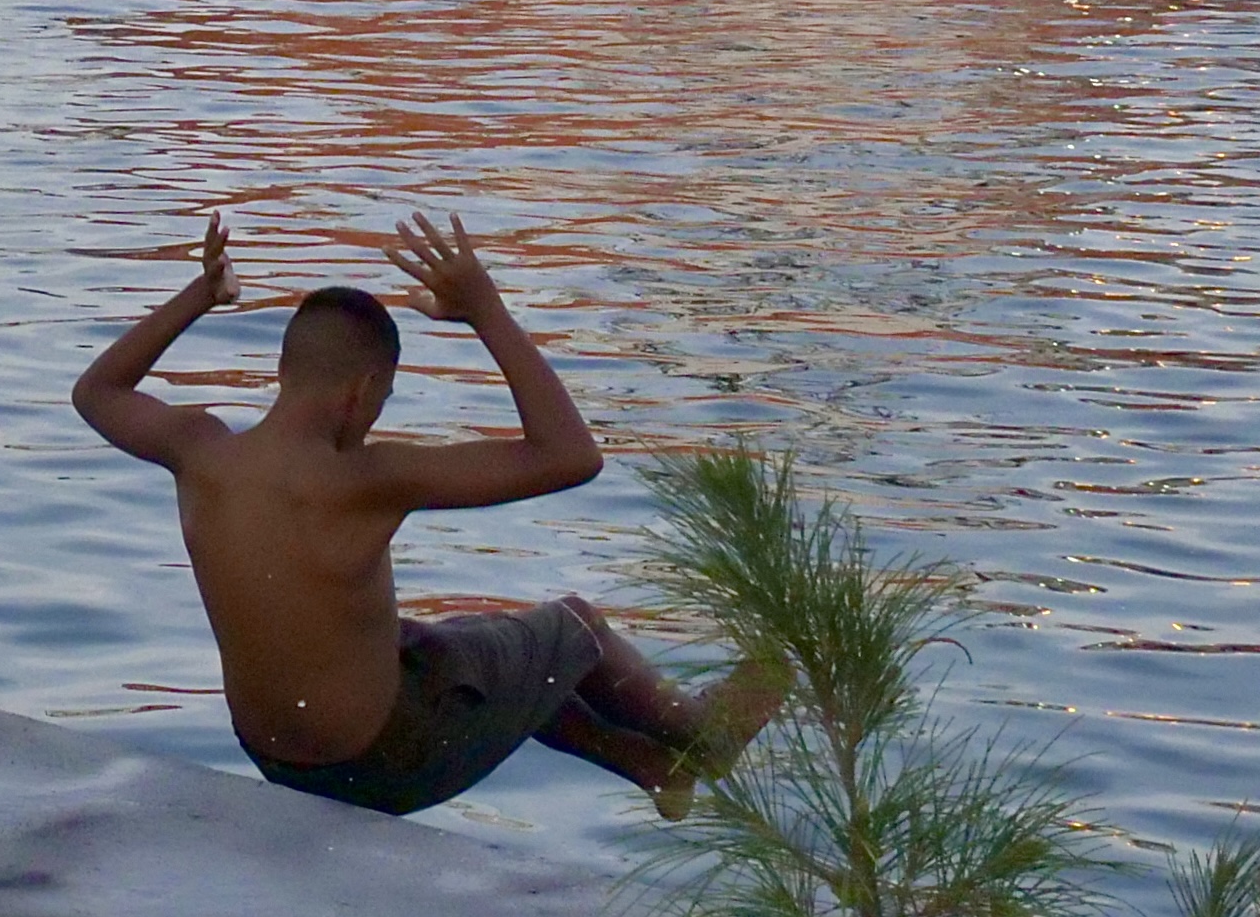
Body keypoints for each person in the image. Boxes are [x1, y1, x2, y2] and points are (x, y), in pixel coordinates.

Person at [73, 212, 775, 821]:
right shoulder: (368, 480)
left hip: (276, 759)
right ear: (362, 391)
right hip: (382, 763)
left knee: (460, 646)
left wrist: (199, 295)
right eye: (382, 399)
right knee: (572, 629)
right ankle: (699, 737)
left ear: (285, 371)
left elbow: (96, 390)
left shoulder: (199, 453)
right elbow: (570, 455)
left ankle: (648, 764)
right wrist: (484, 308)